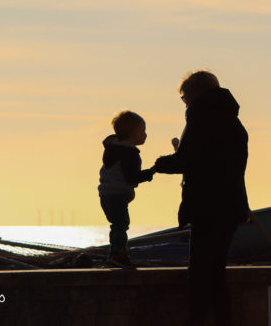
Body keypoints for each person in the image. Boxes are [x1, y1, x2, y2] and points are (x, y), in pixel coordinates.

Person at [153, 70, 249, 326]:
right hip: (230, 205)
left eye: (184, 96)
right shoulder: (232, 122)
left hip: (208, 207)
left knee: (200, 272)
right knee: (216, 271)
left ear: (196, 93)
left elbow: (189, 160)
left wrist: (158, 165)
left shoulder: (202, 118)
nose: (184, 102)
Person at [98, 110, 155, 268]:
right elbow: (132, 177)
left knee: (117, 224)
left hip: (106, 194)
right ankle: (119, 254)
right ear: (132, 133)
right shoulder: (129, 153)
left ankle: (115, 253)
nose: (145, 134)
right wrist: (151, 172)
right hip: (116, 195)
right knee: (121, 224)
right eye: (142, 131)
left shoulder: (114, 149)